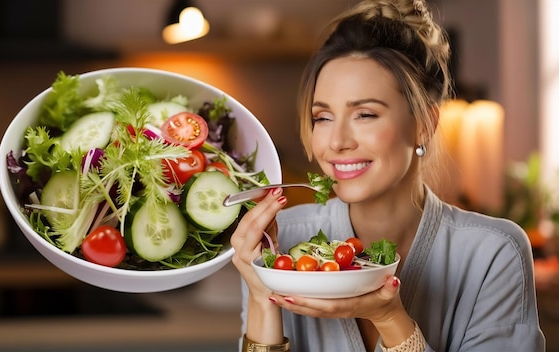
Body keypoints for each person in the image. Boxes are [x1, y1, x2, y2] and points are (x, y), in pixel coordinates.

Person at [230, 0, 546, 351]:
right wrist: (261, 295)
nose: (336, 142)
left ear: (424, 125)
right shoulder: (279, 242)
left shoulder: (494, 254)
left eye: (365, 114)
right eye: (322, 117)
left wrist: (390, 319)